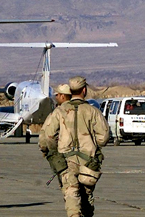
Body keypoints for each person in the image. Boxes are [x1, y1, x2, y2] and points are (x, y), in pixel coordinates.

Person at [39, 76, 109, 217]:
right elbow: (103, 138)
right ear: (84, 90)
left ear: (70, 90)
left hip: (66, 160)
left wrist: (53, 151)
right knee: (86, 195)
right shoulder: (93, 111)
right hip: (88, 161)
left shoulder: (59, 112)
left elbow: (48, 136)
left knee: (71, 192)